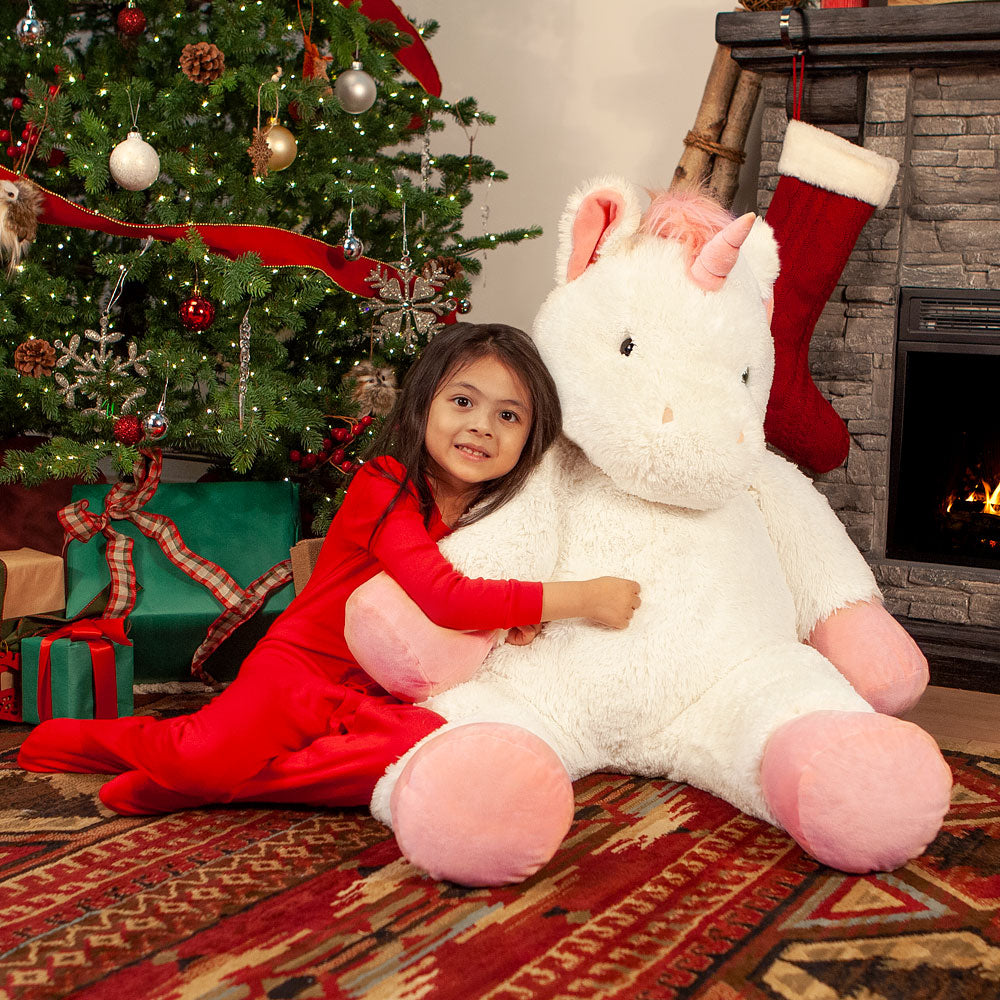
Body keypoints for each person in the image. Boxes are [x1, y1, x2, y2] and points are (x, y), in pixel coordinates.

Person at [19, 322, 641, 814]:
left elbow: (478, 606)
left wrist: (511, 624)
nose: (481, 425)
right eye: (462, 401)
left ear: (531, 438)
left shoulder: (494, 512)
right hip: (300, 670)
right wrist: (584, 598)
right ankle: (140, 753)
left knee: (415, 754)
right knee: (199, 755)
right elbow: (446, 598)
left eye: (509, 415)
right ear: (423, 407)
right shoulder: (385, 485)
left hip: (373, 690)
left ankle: (217, 788)